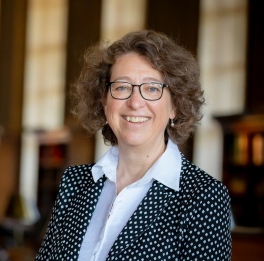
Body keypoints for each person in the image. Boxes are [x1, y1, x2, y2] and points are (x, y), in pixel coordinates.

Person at [36, 30, 231, 260]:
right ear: (104, 100)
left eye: (152, 88)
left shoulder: (204, 197)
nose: (135, 102)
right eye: (121, 87)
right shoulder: (75, 182)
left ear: (174, 106)